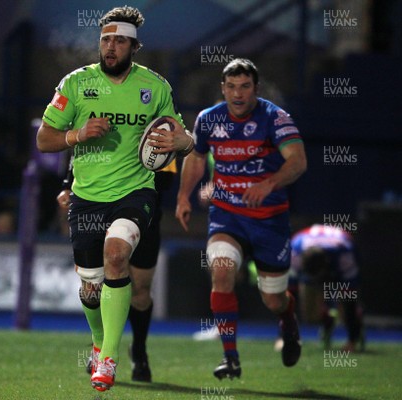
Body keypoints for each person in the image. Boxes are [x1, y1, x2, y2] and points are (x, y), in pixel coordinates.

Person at [37, 5, 193, 391]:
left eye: (119, 40)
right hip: (87, 198)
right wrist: (77, 135)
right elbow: (44, 140)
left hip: (135, 192)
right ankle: (97, 341)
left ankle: (109, 358)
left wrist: (184, 141)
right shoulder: (74, 84)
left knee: (116, 255)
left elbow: (181, 137)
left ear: (134, 46)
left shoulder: (155, 88)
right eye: (105, 40)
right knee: (91, 288)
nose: (110, 47)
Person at [176, 58, 307, 380]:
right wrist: (183, 196)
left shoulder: (275, 118)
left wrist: (270, 182)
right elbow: (195, 157)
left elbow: (299, 161)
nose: (238, 94)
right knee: (221, 273)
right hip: (228, 214)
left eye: (245, 86)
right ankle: (230, 358)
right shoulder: (209, 119)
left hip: (269, 220)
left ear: (256, 89)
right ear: (223, 88)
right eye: (231, 87)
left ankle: (288, 321)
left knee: (273, 298)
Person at [57, 155, 177, 382]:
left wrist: (132, 169)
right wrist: (67, 183)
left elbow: (167, 179)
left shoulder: (152, 123)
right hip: (96, 208)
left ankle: (138, 350)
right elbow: (78, 152)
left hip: (141, 211)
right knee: (93, 286)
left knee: (140, 292)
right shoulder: (97, 122)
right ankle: (102, 346)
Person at [285, 224, 364, 352]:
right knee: (310, 314)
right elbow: (289, 293)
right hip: (319, 255)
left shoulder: (344, 254)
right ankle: (328, 320)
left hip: (338, 261)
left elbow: (350, 295)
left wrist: (351, 342)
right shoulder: (295, 252)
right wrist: (284, 336)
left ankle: (355, 331)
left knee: (347, 304)